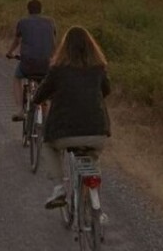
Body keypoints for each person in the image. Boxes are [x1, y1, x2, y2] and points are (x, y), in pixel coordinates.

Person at [32, 26, 111, 209]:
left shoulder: (58, 69)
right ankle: (92, 201)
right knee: (92, 156)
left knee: (48, 145)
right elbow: (106, 91)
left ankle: (59, 187)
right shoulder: (98, 68)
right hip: (97, 132)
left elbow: (40, 95)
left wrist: (43, 99)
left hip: (63, 134)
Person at [6, 0, 56, 121]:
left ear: (28, 10)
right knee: (43, 88)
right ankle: (46, 121)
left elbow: (17, 41)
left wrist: (10, 53)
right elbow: (53, 43)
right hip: (46, 63)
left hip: (28, 64)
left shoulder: (23, 22)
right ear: (41, 10)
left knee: (17, 77)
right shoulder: (50, 23)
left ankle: (21, 110)